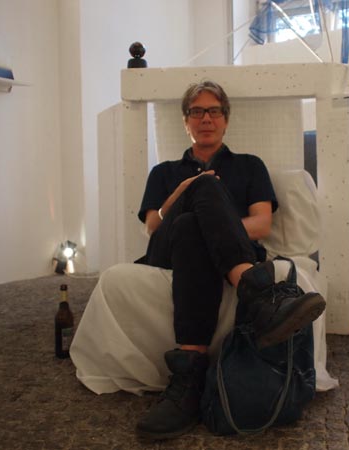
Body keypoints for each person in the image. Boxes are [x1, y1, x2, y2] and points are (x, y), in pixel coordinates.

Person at [135, 80, 326, 440]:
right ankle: (259, 294)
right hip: (167, 248)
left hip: (210, 246)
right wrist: (184, 191)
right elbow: (152, 227)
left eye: (214, 111)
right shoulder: (163, 172)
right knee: (202, 188)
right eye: (197, 111)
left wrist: (209, 225)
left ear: (225, 119)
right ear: (185, 121)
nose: (206, 118)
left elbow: (262, 224)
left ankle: (188, 380)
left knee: (192, 225)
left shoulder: (250, 166)